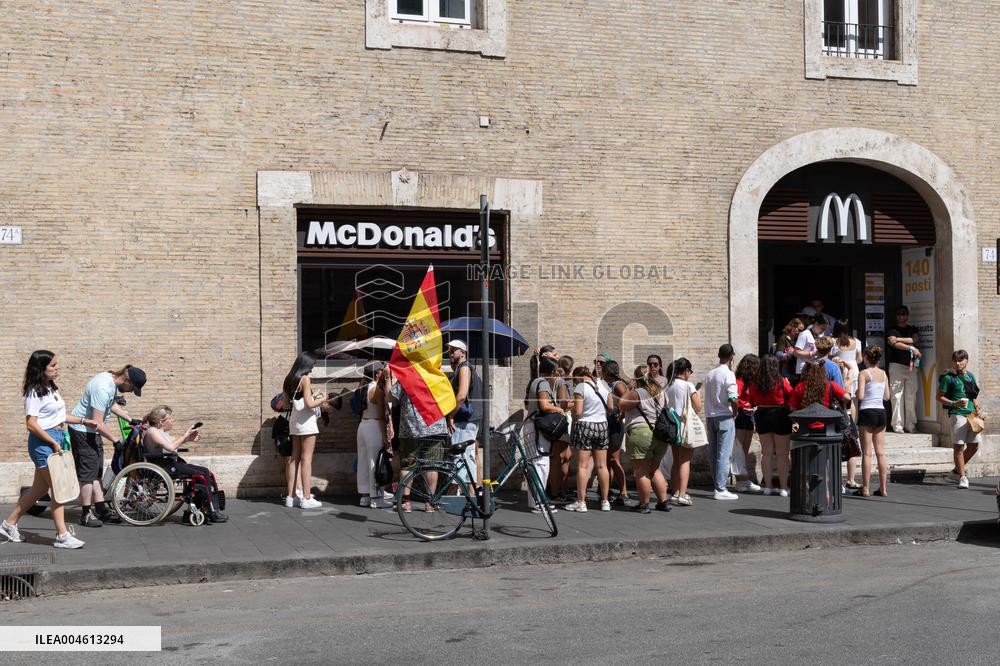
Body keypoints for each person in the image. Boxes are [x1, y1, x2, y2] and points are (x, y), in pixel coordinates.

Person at [1, 351, 91, 548]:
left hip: (55, 438)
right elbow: (31, 424)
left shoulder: (50, 389)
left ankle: (9, 524)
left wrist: (85, 421)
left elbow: (60, 416)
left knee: (39, 489)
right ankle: (62, 536)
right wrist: (52, 442)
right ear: (41, 369)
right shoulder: (33, 392)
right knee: (59, 489)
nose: (57, 368)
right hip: (43, 443)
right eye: (53, 365)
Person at [68, 363, 147, 527]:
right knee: (87, 475)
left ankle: (101, 509)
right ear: (127, 380)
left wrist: (130, 419)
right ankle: (85, 514)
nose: (130, 391)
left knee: (96, 471)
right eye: (132, 388)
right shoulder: (102, 387)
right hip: (83, 432)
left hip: (92, 432)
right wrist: (115, 440)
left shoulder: (110, 382)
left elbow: (110, 404)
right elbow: (97, 422)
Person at [142, 405, 228, 522]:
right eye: (170, 418)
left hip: (170, 463)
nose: (172, 420)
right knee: (201, 475)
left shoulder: (162, 433)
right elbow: (170, 447)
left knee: (206, 472)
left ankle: (200, 509)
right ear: (161, 422)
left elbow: (175, 443)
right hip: (163, 466)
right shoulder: (152, 431)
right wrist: (185, 436)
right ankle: (211, 511)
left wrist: (188, 438)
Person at [282, 352, 336, 509]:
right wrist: (323, 398)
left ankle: (291, 497)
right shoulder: (304, 378)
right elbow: (309, 404)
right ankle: (306, 498)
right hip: (306, 423)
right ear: (306, 364)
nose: (312, 369)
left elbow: (285, 404)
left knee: (294, 459)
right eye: (312, 365)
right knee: (306, 460)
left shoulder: (289, 379)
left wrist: (310, 397)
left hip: (294, 422)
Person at [618, 372, 671, 514]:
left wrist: (628, 388)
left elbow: (622, 404)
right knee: (654, 470)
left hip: (642, 432)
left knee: (642, 471)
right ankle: (663, 502)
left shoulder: (640, 392)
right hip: (660, 434)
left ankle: (644, 504)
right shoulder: (661, 393)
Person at [564, 368, 610, 512]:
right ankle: (605, 501)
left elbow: (578, 411)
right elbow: (610, 406)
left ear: (578, 377)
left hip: (585, 425)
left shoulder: (581, 386)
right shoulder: (604, 384)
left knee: (582, 466)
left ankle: (581, 502)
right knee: (602, 466)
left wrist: (571, 406)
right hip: (602, 425)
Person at [938, 350, 984, 490]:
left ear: (966, 361)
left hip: (971, 415)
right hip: (957, 414)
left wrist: (978, 408)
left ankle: (956, 471)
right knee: (959, 447)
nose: (957, 363)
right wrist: (954, 403)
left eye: (960, 360)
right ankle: (963, 477)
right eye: (955, 361)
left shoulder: (970, 376)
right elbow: (939, 396)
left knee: (974, 446)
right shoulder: (948, 377)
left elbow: (974, 395)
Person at [749, 354, 793, 496]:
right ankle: (784, 487)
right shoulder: (781, 381)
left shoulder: (756, 382)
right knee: (782, 453)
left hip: (762, 413)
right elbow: (791, 394)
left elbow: (752, 399)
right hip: (780, 413)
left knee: (766, 453)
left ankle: (767, 486)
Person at [524, 355, 563, 514]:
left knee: (536, 463)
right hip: (537, 428)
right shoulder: (544, 383)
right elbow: (545, 405)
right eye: (556, 373)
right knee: (541, 464)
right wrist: (559, 409)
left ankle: (536, 501)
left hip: (531, 426)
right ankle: (538, 502)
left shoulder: (535, 381)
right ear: (552, 372)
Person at [704, 345, 740, 501]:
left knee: (713, 452)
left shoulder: (710, 374)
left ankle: (717, 485)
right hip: (724, 416)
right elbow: (733, 397)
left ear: (718, 355)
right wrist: (736, 410)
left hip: (710, 416)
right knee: (724, 453)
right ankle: (720, 488)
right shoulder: (728, 374)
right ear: (732, 356)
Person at [665, 358, 703, 506]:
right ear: (686, 370)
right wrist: (698, 393)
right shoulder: (688, 386)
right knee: (685, 461)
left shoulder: (668, 386)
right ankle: (682, 494)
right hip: (684, 425)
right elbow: (698, 407)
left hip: (672, 426)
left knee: (676, 461)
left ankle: (674, 493)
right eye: (690, 371)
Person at [356, 361, 394, 509]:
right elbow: (380, 416)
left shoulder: (362, 387)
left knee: (363, 461)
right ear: (377, 373)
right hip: (374, 425)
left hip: (362, 425)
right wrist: (385, 435)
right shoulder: (377, 389)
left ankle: (365, 496)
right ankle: (377, 498)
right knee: (375, 462)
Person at [447, 340, 482, 490]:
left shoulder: (464, 368)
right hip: (468, 419)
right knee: (467, 457)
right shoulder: (463, 368)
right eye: (449, 351)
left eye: (453, 350)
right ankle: (471, 494)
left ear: (462, 352)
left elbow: (461, 396)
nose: (450, 353)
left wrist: (450, 415)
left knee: (462, 458)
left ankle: (466, 495)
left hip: (464, 420)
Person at [855, 346, 890, 497]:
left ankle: (865, 488)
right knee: (880, 453)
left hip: (867, 411)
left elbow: (861, 396)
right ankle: (883, 488)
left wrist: (857, 391)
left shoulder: (864, 373)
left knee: (867, 453)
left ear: (865, 358)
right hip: (881, 411)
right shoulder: (883, 373)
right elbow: (887, 396)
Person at [886, 305, 922, 433]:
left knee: (911, 396)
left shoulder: (912, 328)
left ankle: (910, 424)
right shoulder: (891, 330)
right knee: (896, 396)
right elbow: (894, 344)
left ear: (907, 315)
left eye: (903, 314)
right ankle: (897, 424)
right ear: (896, 316)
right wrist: (910, 347)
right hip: (896, 365)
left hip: (911, 366)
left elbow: (915, 339)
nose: (901, 316)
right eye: (898, 314)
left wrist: (898, 339)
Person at [600, 360, 630, 505]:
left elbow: (628, 399)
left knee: (614, 460)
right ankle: (606, 489)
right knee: (607, 459)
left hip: (615, 425)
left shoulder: (617, 384)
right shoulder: (611, 384)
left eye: (603, 371)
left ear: (607, 372)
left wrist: (621, 414)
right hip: (610, 424)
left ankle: (623, 492)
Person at [789, 362, 852, 430]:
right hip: (829, 427)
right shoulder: (831, 385)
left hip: (805, 428)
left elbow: (792, 408)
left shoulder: (800, 387)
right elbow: (847, 398)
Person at [732, 354, 761, 493]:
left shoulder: (751, 382)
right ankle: (739, 480)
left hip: (749, 414)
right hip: (741, 413)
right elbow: (735, 398)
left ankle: (745, 479)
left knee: (745, 449)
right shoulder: (739, 381)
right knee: (738, 449)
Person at [548, 358, 574, 502]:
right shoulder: (561, 382)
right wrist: (577, 402)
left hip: (552, 421)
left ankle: (560, 489)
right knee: (560, 458)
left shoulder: (549, 380)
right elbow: (563, 404)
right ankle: (556, 491)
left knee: (562, 457)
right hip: (560, 421)